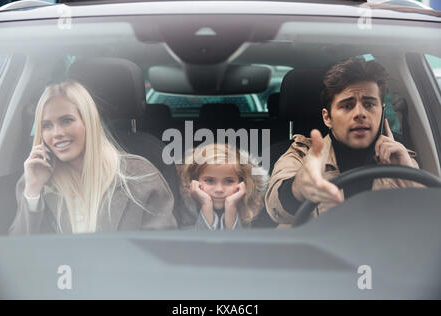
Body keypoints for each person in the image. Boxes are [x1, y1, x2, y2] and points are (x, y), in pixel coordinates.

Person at [265, 57, 421, 226]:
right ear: (327, 117)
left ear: (382, 110)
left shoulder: (400, 157)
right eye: (347, 106)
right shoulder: (301, 155)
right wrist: (298, 188)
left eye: (369, 104)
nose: (360, 113)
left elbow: (427, 226)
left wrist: (408, 172)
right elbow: (276, 208)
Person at [10, 81, 177, 234]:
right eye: (47, 125)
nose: (57, 133)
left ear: (88, 121)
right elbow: (17, 255)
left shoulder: (141, 175)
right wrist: (32, 191)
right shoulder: (34, 180)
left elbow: (163, 252)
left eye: (67, 121)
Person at [178, 143, 269, 230]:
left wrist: (231, 207)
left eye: (229, 181)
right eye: (210, 180)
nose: (219, 189)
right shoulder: (183, 212)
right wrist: (206, 205)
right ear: (194, 181)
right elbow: (199, 245)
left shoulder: (246, 209)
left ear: (242, 182)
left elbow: (238, 244)